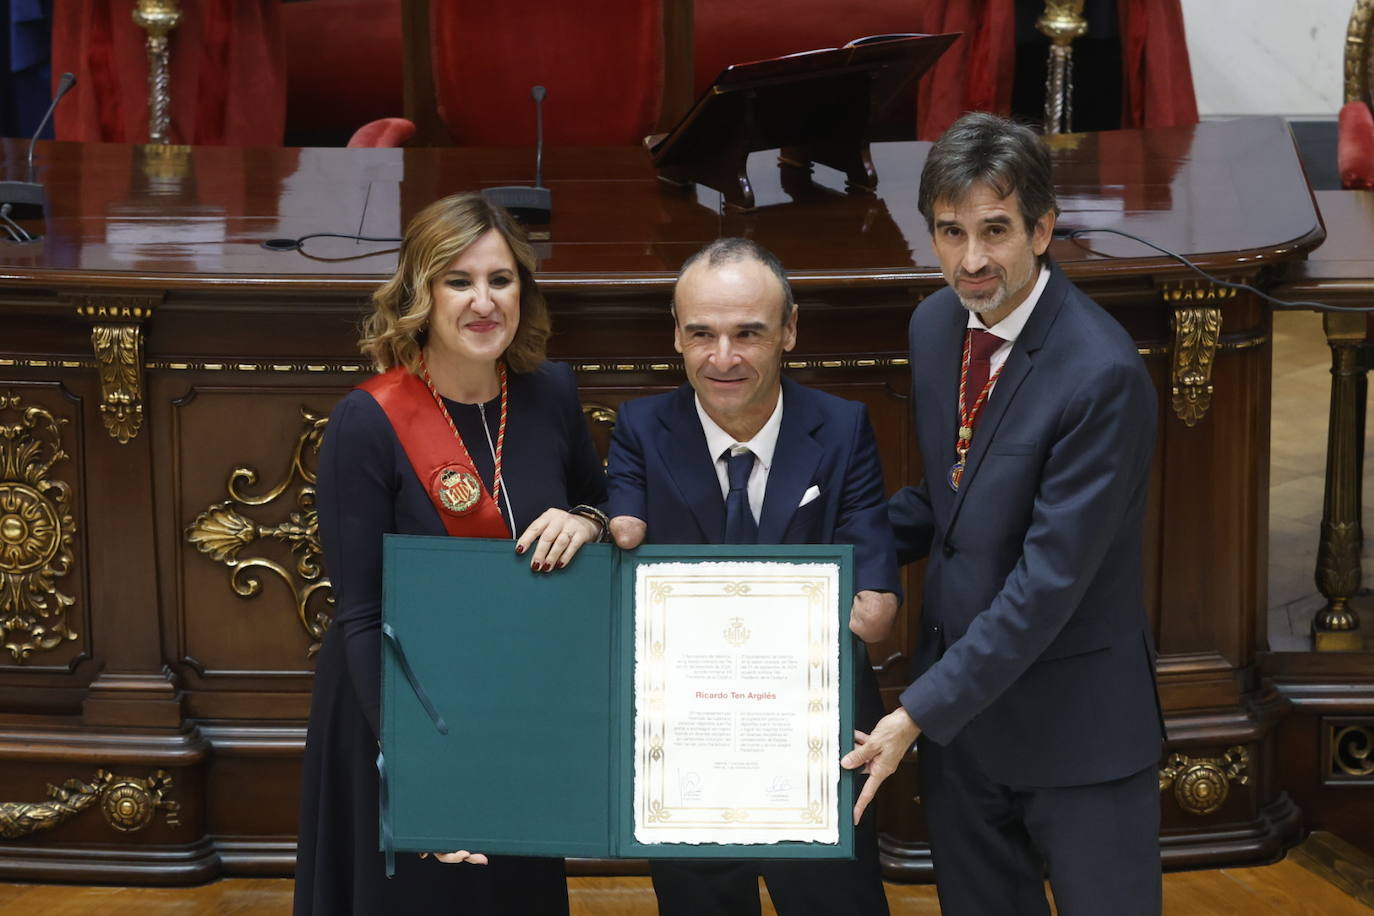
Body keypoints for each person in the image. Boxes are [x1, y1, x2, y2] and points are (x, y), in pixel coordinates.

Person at [841, 112, 1164, 915]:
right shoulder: (934, 325)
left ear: (1043, 229)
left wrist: (916, 709)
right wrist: (830, 556)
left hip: (1076, 735)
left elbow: (1048, 581)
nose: (972, 260)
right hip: (967, 736)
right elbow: (950, 504)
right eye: (950, 232)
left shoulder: (1102, 376)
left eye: (995, 231)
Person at [294, 193, 607, 915]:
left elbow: (602, 498)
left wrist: (586, 521)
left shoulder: (550, 392)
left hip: (512, 706)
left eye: (501, 280)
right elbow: (363, 616)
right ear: (420, 294)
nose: (483, 302)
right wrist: (425, 773)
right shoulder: (366, 423)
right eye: (458, 281)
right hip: (403, 711)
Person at [606, 237, 900, 916]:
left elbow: (870, 545)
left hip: (815, 729)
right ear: (675, 336)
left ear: (790, 331)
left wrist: (878, 599)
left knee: (836, 902)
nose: (724, 358)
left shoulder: (843, 425)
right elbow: (620, 523)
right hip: (687, 733)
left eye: (748, 333)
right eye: (702, 334)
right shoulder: (642, 428)